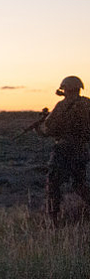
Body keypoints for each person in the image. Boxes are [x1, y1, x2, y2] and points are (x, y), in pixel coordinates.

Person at [37, 75, 90, 226]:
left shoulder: (62, 105)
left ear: (66, 88)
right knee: (79, 184)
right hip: (82, 150)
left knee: (53, 184)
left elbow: (50, 130)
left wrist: (40, 126)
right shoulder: (87, 104)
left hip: (63, 150)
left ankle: (53, 220)